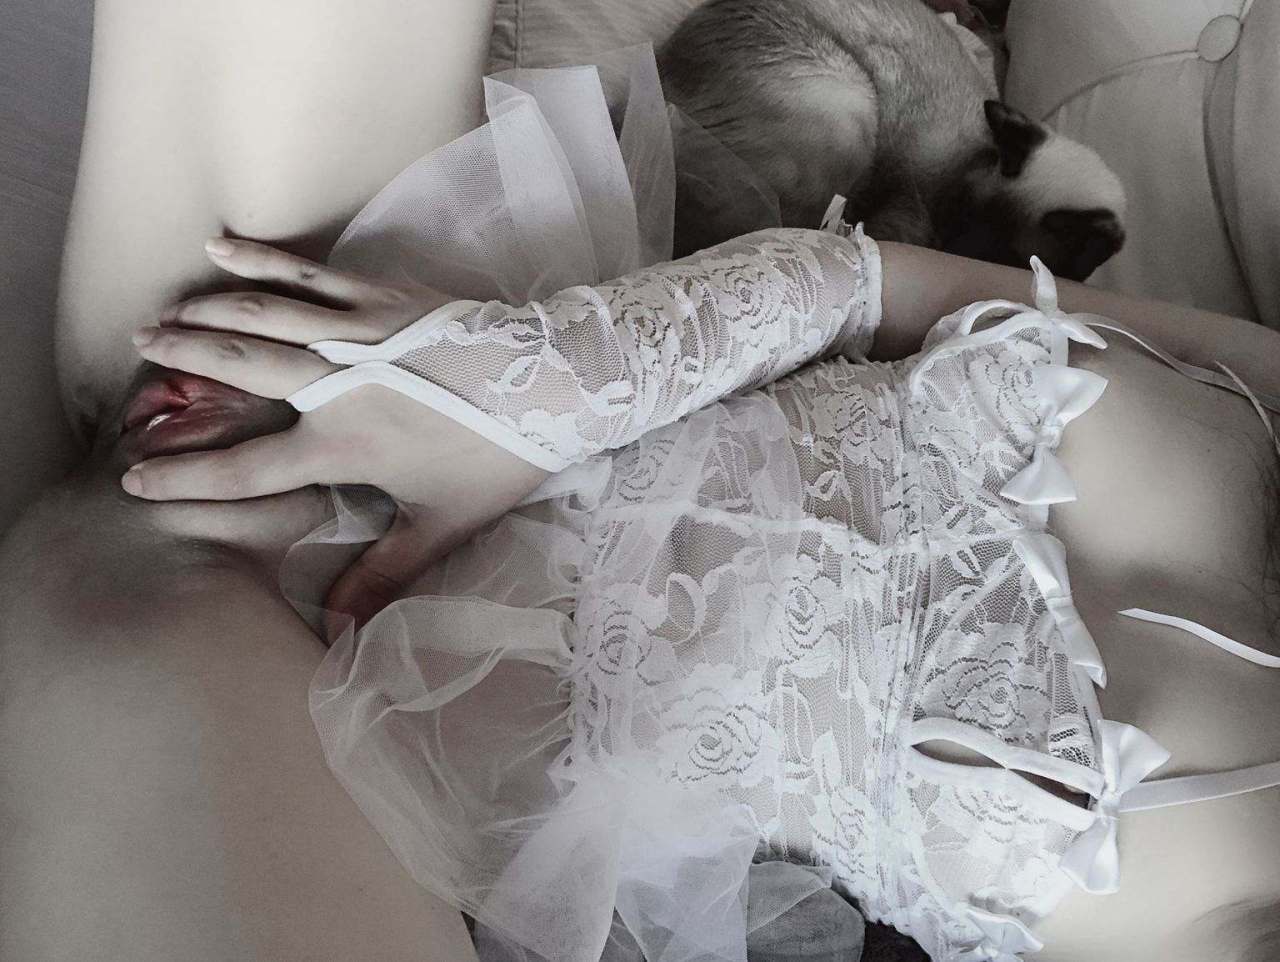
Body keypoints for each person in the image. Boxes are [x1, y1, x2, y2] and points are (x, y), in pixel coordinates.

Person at [1, 7, 1277, 962]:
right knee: (213, 345)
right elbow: (879, 285)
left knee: (142, 531)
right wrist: (556, 380)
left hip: (375, 730)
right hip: (509, 324)